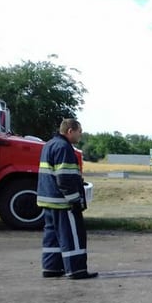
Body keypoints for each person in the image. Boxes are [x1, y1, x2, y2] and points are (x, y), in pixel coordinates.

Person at [37, 118, 97, 279]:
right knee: (72, 236)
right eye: (79, 132)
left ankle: (52, 268)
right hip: (62, 202)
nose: (80, 135)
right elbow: (64, 178)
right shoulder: (64, 147)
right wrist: (74, 200)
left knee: (52, 237)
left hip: (48, 200)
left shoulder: (49, 144)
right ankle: (76, 270)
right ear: (70, 131)